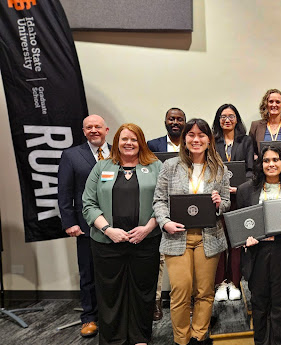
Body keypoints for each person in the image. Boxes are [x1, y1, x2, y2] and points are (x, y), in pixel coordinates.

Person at [82, 123, 162, 345]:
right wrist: (108, 230)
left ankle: (140, 337)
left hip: (145, 241)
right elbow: (88, 204)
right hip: (107, 243)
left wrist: (147, 228)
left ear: (141, 143)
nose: (129, 143)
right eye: (124, 139)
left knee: (143, 292)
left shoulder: (156, 166)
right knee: (110, 294)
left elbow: (165, 202)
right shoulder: (101, 167)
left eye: (134, 139)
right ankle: (112, 339)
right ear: (116, 142)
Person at [153, 118, 230, 345]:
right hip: (177, 236)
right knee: (180, 292)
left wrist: (219, 203)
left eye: (201, 135)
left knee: (205, 292)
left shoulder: (219, 168)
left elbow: (226, 202)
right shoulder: (170, 166)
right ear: (185, 139)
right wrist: (164, 222)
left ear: (209, 140)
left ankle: (198, 336)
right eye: (191, 135)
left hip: (209, 237)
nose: (196, 140)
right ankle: (181, 339)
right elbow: (158, 200)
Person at [237, 145, 281, 345]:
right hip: (257, 252)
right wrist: (245, 239)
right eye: (266, 160)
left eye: (275, 160)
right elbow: (241, 223)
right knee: (259, 304)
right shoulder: (245, 189)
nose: (271, 164)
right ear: (260, 163)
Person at [57, 114, 109, 338]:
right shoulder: (71, 155)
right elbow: (64, 191)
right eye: (89, 127)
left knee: (113, 273)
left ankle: (111, 316)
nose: (94, 130)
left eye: (98, 126)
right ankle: (89, 318)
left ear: (106, 130)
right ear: (84, 131)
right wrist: (69, 222)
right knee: (88, 273)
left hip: (117, 225)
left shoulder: (118, 153)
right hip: (86, 226)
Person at [147, 107, 187, 321]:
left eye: (179, 119)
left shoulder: (191, 143)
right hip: (161, 206)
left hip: (186, 207)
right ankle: (155, 302)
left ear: (185, 122)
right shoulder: (153, 146)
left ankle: (183, 300)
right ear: (165, 121)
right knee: (160, 259)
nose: (175, 122)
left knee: (183, 258)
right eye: (171, 119)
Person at [211, 104, 254, 302]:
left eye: (231, 116)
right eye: (223, 116)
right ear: (218, 120)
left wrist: (240, 188)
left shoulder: (246, 141)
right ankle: (221, 283)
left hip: (239, 197)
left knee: (236, 241)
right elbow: (209, 169)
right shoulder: (212, 141)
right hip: (217, 200)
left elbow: (251, 169)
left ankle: (235, 283)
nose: (227, 119)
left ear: (237, 119)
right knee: (220, 241)